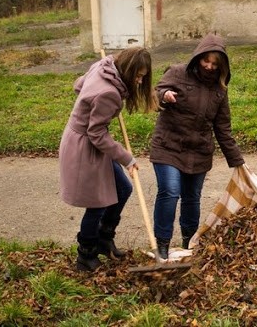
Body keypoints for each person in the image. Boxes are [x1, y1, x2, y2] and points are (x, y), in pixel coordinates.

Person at [59, 47, 156, 272]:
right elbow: (96, 134)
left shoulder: (105, 66)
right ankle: (86, 253)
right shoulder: (109, 93)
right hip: (85, 147)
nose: (140, 81)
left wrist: (93, 104)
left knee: (122, 188)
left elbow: (78, 84)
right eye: (138, 76)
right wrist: (127, 158)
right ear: (127, 70)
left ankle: (104, 238)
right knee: (97, 202)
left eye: (143, 76)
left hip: (90, 141)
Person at [150, 33, 245, 259]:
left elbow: (223, 129)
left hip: (199, 152)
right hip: (168, 146)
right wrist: (165, 95)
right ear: (198, 57)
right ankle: (162, 243)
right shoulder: (176, 72)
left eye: (215, 64)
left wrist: (237, 161)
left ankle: (188, 243)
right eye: (206, 61)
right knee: (170, 192)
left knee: (192, 198)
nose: (209, 67)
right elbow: (154, 95)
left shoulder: (220, 90)